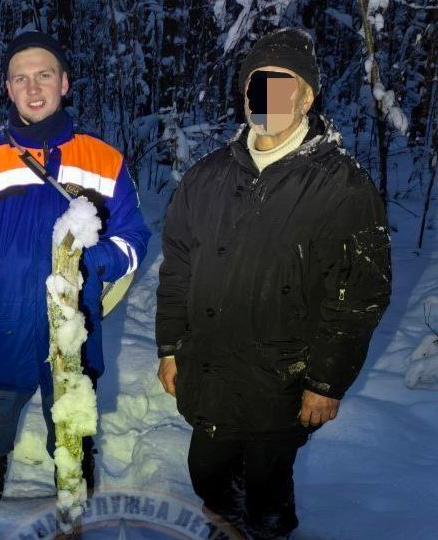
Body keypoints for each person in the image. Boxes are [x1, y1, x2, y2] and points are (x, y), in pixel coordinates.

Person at [155, 28, 392, 539]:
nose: (268, 99)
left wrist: (326, 382)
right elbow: (176, 268)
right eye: (257, 86)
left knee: (266, 488)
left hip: (283, 380)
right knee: (209, 475)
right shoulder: (206, 176)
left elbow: (359, 293)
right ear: (245, 96)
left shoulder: (341, 184)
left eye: (283, 86)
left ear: (306, 97)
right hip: (211, 368)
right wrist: (170, 346)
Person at [0, 31, 151, 501]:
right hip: (1, 333)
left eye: (44, 75)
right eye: (21, 78)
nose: (33, 88)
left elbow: (134, 239)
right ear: (8, 89)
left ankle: (75, 520)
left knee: (73, 443)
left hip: (74, 336)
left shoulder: (103, 160)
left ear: (64, 83)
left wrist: (90, 260)